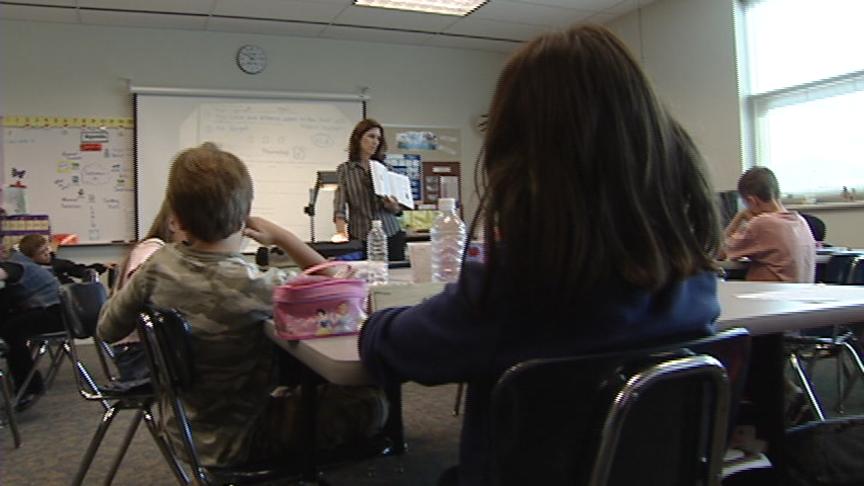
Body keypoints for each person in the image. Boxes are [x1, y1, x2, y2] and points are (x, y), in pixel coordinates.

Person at [358, 24, 722, 485]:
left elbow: (396, 350)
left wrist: (375, 322)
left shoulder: (517, 290)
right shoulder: (696, 281)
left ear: (519, 152)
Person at [98, 142, 387, 467]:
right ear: (244, 215)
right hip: (246, 438)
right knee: (369, 399)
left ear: (175, 218)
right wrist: (282, 236)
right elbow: (339, 287)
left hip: (182, 429)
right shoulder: (261, 285)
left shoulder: (156, 266)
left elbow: (107, 330)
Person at [109, 201, 187, 381]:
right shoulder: (151, 250)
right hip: (141, 354)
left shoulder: (162, 251)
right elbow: (149, 293)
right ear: (173, 223)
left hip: (150, 349)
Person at [1, 238, 66, 408]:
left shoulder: (16, 264)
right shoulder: (23, 261)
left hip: (56, 314)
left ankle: (29, 387)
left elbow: (5, 273)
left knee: (10, 330)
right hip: (62, 313)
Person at [723, 166, 816, 282]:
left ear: (752, 201)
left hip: (766, 292)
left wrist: (739, 217)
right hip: (797, 292)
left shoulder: (762, 223)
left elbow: (720, 252)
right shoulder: (801, 221)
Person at [333, 119, 406, 261]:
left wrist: (393, 206)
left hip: (390, 234)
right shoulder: (345, 170)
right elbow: (339, 207)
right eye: (371, 136)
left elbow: (397, 210)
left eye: (378, 138)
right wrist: (341, 234)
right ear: (358, 138)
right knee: (363, 273)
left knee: (395, 273)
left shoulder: (387, 170)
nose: (375, 142)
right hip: (360, 236)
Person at [17, 234, 108, 284]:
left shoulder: (58, 263)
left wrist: (101, 266)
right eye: (41, 253)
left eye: (47, 249)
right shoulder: (31, 272)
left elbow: (79, 270)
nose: (47, 254)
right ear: (31, 257)